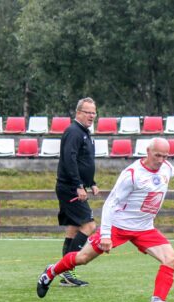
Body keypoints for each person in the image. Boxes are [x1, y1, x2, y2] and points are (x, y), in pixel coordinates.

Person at [37, 137, 174, 302]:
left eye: (165, 156)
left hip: (145, 229)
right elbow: (110, 204)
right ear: (147, 152)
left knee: (171, 259)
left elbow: (172, 170)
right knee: (82, 258)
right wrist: (107, 235)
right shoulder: (131, 174)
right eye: (157, 155)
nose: (161, 160)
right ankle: (51, 272)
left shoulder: (166, 167)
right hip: (118, 227)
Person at [53, 97, 100, 287]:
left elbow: (83, 161)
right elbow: (69, 160)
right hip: (70, 188)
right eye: (88, 112)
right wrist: (78, 186)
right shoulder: (73, 131)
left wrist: (91, 182)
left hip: (75, 186)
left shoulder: (84, 133)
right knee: (89, 227)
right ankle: (65, 269)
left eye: (94, 112)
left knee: (73, 229)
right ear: (78, 113)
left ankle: (66, 274)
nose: (91, 116)